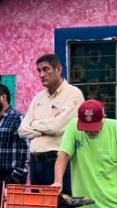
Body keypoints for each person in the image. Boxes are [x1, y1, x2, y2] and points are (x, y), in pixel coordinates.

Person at [18, 53, 84, 192]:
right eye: (39, 71)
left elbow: (57, 127)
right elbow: (22, 130)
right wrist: (46, 127)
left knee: (63, 207)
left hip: (57, 160)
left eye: (46, 69)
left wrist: (35, 124)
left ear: (58, 69)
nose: (41, 74)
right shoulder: (38, 98)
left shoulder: (74, 94)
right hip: (35, 161)